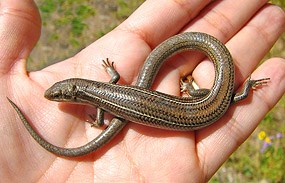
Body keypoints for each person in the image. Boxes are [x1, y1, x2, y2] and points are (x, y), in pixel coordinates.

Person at [1, 0, 284, 182]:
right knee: (230, 99)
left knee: (231, 100)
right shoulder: (98, 90)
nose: (57, 98)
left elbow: (104, 106)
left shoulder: (100, 101)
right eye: (59, 94)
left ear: (75, 92)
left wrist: (98, 123)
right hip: (201, 108)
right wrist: (227, 90)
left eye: (60, 95)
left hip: (199, 109)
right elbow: (112, 82)